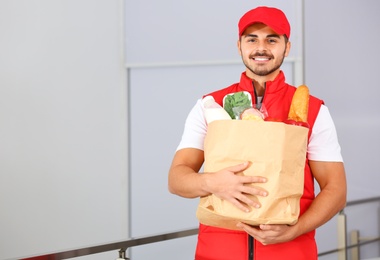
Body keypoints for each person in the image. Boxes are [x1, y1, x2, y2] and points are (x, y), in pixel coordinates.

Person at [168, 6, 347, 260]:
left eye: (271, 39)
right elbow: (177, 178)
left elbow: (336, 189)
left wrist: (294, 231)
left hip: (291, 252)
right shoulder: (210, 105)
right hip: (217, 252)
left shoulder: (314, 110)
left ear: (287, 47)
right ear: (239, 45)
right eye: (252, 39)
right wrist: (212, 182)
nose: (261, 48)